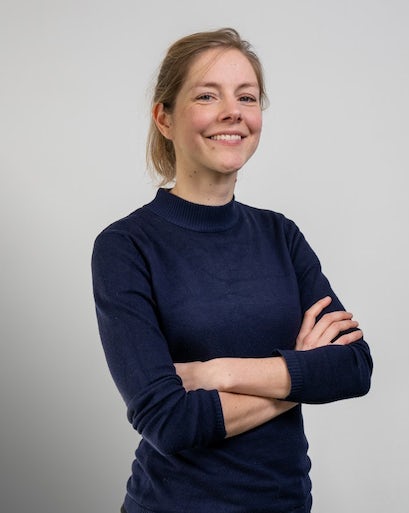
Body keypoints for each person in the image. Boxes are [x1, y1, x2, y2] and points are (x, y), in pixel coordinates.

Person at [91, 27, 373, 513]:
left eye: (246, 96)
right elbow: (168, 422)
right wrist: (300, 371)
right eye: (207, 95)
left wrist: (218, 372)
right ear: (164, 118)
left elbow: (353, 367)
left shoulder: (281, 235)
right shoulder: (126, 246)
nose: (233, 112)